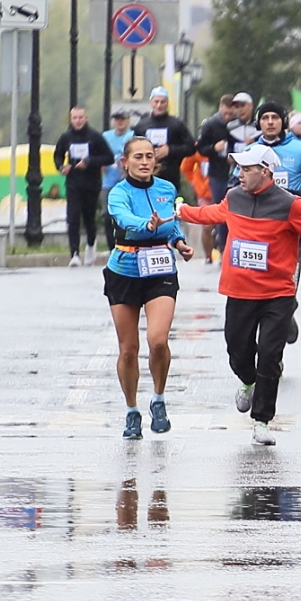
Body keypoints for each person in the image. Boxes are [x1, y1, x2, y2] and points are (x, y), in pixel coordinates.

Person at [176, 145, 301, 446]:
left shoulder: (291, 205)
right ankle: (246, 381)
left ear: (265, 172)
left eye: (245, 169)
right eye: (238, 169)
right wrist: (181, 211)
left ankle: (262, 421)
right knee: (237, 351)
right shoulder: (235, 197)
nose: (239, 174)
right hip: (239, 290)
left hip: (277, 293)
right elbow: (212, 213)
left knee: (270, 356)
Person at [104, 137, 194, 439]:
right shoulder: (119, 193)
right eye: (138, 157)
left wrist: (179, 242)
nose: (144, 162)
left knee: (158, 341)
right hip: (125, 270)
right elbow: (125, 220)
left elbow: (171, 223)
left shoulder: (166, 188)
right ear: (125, 162)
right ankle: (131, 411)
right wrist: (147, 226)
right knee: (128, 350)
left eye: (149, 156)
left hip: (160, 270)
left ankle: (158, 399)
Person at [253, 101, 301, 343]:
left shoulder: (300, 150)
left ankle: (284, 313)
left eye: (275, 117)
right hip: (256, 231)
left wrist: (290, 194)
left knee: (286, 283)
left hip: (289, 231)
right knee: (260, 287)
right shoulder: (251, 151)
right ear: (259, 123)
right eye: (265, 118)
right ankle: (281, 317)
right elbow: (234, 188)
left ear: (283, 122)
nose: (270, 122)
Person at [54, 107, 113, 267]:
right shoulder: (66, 137)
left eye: (81, 117)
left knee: (89, 218)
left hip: (91, 183)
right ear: (71, 120)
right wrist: (61, 167)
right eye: (74, 118)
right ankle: (74, 254)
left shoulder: (94, 137)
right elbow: (58, 155)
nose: (78, 121)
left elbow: (108, 157)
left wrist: (89, 161)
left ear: (86, 118)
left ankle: (91, 245)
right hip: (73, 183)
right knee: (72, 217)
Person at [133, 87, 195, 191]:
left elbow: (191, 147)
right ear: (151, 103)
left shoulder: (176, 124)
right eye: (156, 101)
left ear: (167, 103)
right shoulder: (142, 125)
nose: (159, 105)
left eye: (162, 102)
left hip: (170, 177)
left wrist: (170, 150)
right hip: (145, 175)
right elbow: (133, 148)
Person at [196, 94, 236, 253]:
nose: (228, 117)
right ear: (220, 109)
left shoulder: (237, 125)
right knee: (220, 210)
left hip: (235, 171)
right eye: (225, 114)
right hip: (217, 173)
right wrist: (214, 149)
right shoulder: (211, 125)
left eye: (231, 114)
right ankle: (224, 247)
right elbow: (200, 149)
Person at [101, 109, 135, 250]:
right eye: (117, 119)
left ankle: (125, 245)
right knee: (108, 216)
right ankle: (112, 248)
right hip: (108, 182)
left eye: (123, 119)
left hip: (126, 182)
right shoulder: (106, 136)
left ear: (128, 121)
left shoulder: (133, 136)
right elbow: (99, 153)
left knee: (125, 216)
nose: (120, 122)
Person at [179, 149, 214, 261]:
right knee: (207, 226)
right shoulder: (199, 150)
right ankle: (208, 256)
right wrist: (194, 181)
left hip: (223, 191)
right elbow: (185, 167)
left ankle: (224, 254)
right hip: (204, 193)